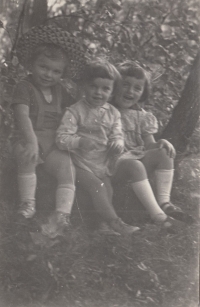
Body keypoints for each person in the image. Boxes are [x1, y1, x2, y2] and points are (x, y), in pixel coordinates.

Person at [11, 24, 85, 238]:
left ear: (62, 74)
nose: (48, 74)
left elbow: (75, 111)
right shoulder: (24, 87)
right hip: (27, 137)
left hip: (52, 142)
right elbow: (22, 116)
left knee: (67, 168)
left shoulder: (59, 90)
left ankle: (62, 214)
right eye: (43, 67)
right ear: (32, 64)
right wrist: (32, 142)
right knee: (27, 156)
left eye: (56, 71)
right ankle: (27, 204)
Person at [56, 58, 140, 236]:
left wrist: (118, 143)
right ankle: (117, 223)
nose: (98, 93)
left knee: (108, 189)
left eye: (105, 89)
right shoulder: (75, 111)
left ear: (112, 92)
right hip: (79, 163)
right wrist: (79, 141)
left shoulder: (113, 113)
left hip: (101, 163)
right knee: (99, 187)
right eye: (94, 86)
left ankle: (102, 226)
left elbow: (118, 134)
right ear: (84, 86)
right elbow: (61, 138)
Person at [111, 60, 191, 231]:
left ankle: (165, 203)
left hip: (136, 162)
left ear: (143, 93)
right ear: (114, 85)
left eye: (137, 88)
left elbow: (149, 146)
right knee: (134, 164)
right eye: (125, 85)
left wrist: (161, 143)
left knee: (163, 153)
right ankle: (159, 217)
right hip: (113, 164)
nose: (130, 91)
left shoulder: (142, 117)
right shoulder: (105, 111)